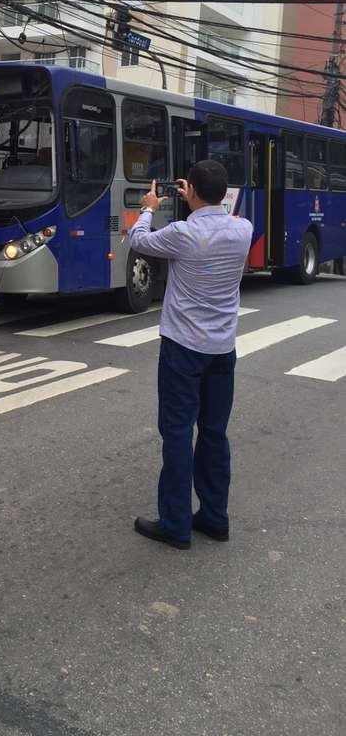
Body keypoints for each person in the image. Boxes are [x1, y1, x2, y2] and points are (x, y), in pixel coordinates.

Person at [128, 160, 253, 550]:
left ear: (192, 191)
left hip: (183, 349)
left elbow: (138, 240)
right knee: (214, 433)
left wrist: (149, 205)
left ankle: (176, 524)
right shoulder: (243, 229)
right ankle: (215, 518)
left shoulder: (182, 233)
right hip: (222, 349)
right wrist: (198, 198)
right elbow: (220, 215)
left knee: (178, 433)